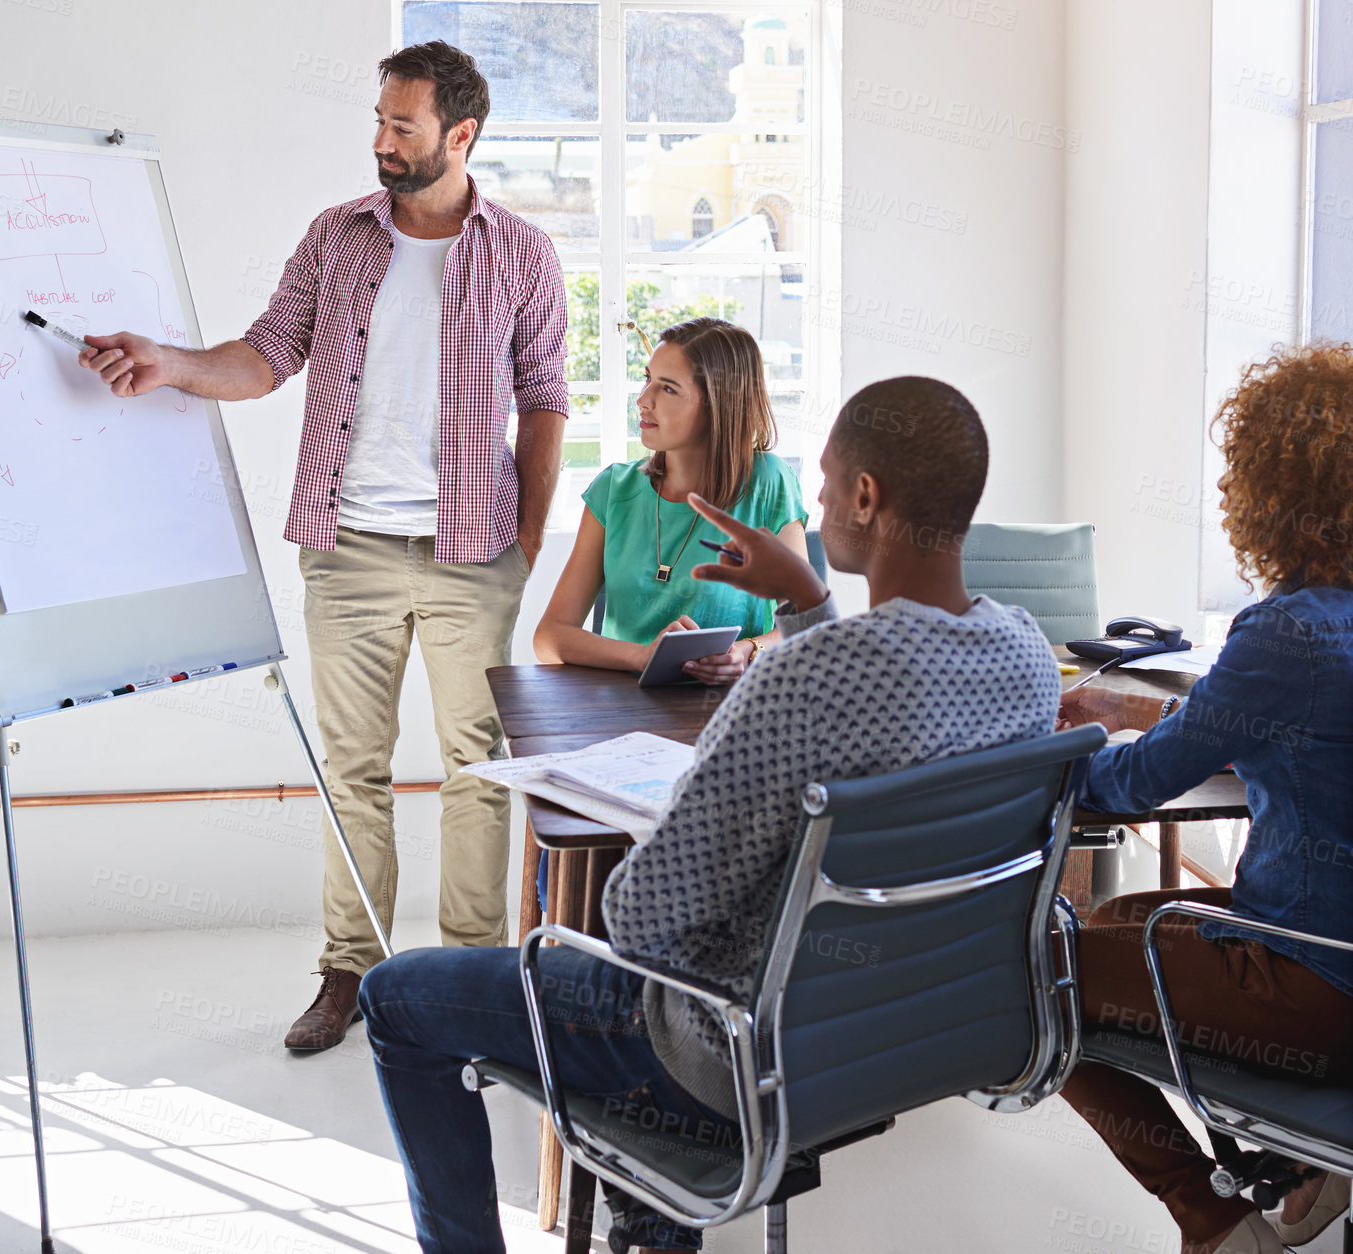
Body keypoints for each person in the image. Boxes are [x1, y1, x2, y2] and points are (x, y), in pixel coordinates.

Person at [359, 376, 1062, 1253]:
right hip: (907, 1030)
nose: (815, 497)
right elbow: (896, 698)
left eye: (829, 481)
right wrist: (806, 600)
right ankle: (654, 1219)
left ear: (867, 498)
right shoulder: (1026, 656)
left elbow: (642, 919)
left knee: (395, 996)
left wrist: (677, 819)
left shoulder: (797, 683)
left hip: (731, 1047)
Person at [79, 41, 569, 1051]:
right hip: (346, 548)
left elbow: (545, 400)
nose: (382, 141)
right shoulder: (337, 238)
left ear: (460, 135)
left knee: (477, 765)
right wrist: (166, 361)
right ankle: (352, 970)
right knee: (353, 766)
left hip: (472, 550)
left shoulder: (521, 252)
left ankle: (470, 978)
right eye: (379, 121)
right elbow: (266, 356)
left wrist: (520, 541)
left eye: (404, 125)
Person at [1057, 343, 1353, 1254]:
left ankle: (1215, 1218)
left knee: (1033, 974)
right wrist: (1134, 708)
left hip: (1313, 980)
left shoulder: (1286, 633)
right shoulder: (1312, 638)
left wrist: (1046, 745)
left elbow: (1129, 784)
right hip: (1325, 941)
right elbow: (1281, 726)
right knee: (1123, 914)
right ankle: (1305, 1167)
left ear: (1266, 486)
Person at [534, 317, 808, 688]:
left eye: (668, 389)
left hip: (735, 711)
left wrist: (750, 651)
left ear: (718, 404)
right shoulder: (614, 489)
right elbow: (550, 638)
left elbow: (806, 626)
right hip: (625, 712)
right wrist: (643, 656)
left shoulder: (769, 483)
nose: (643, 400)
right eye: (648, 379)